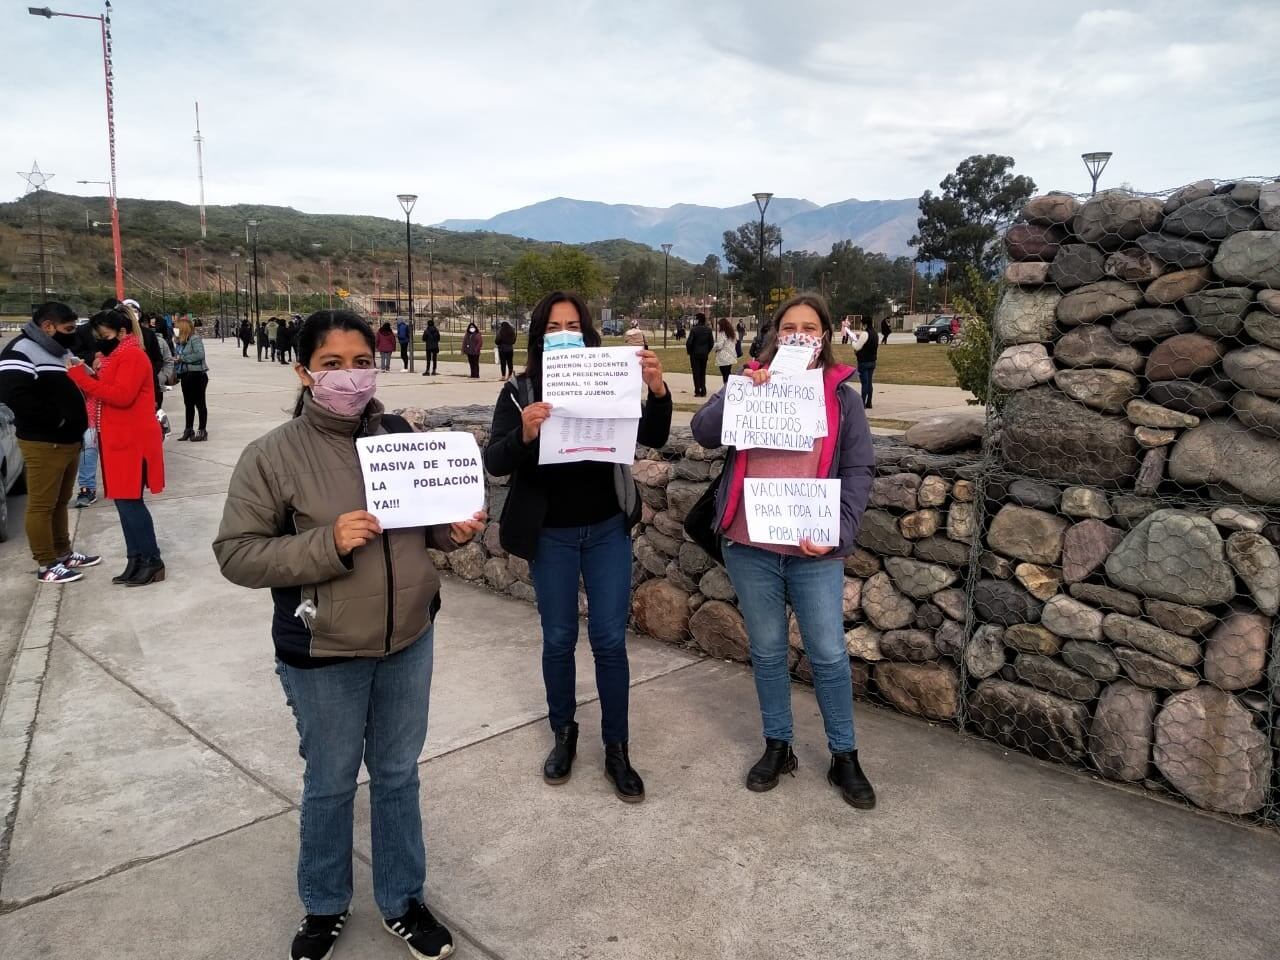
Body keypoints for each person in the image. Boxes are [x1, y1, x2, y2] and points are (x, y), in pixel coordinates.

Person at [214, 309, 484, 960]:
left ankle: (403, 900)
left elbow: (426, 529)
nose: (350, 377)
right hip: (324, 649)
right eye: (332, 364)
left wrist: (454, 531)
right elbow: (237, 554)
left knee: (397, 775)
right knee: (331, 782)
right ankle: (324, 904)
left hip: (408, 640)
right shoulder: (272, 456)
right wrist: (327, 543)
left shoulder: (399, 437)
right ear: (304, 372)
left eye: (361, 362)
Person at [689, 294, 877, 810]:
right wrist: (740, 388)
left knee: (829, 653)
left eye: (809, 327)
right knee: (768, 651)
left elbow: (859, 469)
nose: (798, 335)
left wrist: (840, 531)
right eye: (788, 327)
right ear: (775, 334)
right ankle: (779, 745)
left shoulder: (842, 396)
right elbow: (703, 433)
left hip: (814, 547)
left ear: (825, 336)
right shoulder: (751, 380)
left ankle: (844, 755)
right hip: (750, 545)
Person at [483, 291, 671, 803]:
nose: (563, 334)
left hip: (606, 529)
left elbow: (654, 437)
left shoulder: (610, 380)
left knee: (609, 641)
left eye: (573, 326)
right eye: (552, 327)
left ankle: (617, 749)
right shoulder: (520, 390)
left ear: (589, 335)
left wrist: (656, 389)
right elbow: (495, 461)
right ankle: (563, 733)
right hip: (552, 536)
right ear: (538, 335)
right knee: (559, 639)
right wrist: (524, 434)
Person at [0, 302, 100, 583]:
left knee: (60, 501)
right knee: (42, 505)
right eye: (68, 329)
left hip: (69, 441)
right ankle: (46, 563)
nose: (73, 334)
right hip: (45, 442)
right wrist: (57, 421)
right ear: (48, 327)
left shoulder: (58, 350)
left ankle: (63, 552)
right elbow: (15, 396)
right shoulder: (20, 351)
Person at [66, 308, 166, 587]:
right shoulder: (115, 357)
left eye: (104, 335)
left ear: (122, 332)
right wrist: (93, 372)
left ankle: (152, 560)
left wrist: (81, 377)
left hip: (131, 440)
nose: (100, 340)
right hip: (117, 439)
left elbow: (122, 396)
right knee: (123, 502)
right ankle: (136, 558)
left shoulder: (132, 356)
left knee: (130, 502)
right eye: (97, 335)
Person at [174, 317, 210, 442]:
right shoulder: (181, 342)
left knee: (200, 403)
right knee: (188, 404)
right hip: (185, 374)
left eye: (177, 328)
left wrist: (182, 358)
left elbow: (200, 354)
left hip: (197, 375)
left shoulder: (194, 339)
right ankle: (188, 429)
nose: (175, 330)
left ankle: (202, 430)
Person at [850, 317, 877, 410]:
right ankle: (869, 402)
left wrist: (853, 341)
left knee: (864, 383)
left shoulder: (865, 333)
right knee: (869, 383)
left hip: (864, 361)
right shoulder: (875, 333)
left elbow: (857, 347)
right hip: (872, 361)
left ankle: (862, 402)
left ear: (864, 324)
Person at [685, 312, 714, 397]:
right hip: (704, 354)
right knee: (702, 372)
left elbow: (689, 343)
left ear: (698, 320)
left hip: (695, 354)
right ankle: (703, 390)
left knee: (696, 372)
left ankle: (697, 390)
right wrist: (707, 351)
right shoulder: (708, 330)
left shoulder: (694, 330)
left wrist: (689, 352)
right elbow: (711, 343)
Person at [713, 316, 738, 385]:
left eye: (718, 325)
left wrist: (713, 345)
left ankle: (726, 387)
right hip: (731, 356)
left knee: (725, 374)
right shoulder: (732, 333)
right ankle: (729, 386)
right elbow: (735, 342)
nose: (717, 326)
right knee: (728, 373)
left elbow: (719, 345)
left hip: (723, 357)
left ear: (722, 325)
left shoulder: (722, 334)